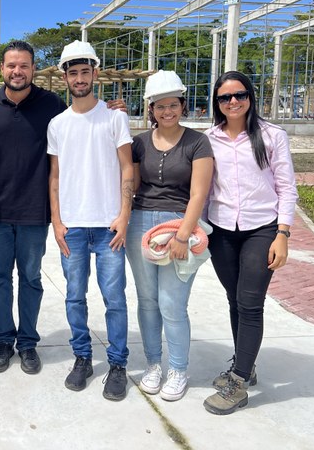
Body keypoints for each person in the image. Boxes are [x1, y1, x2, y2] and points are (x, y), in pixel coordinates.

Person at [202, 71, 297, 415]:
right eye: (225, 98)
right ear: (217, 103)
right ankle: (246, 363)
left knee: (250, 302)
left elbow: (287, 187)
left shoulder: (272, 136)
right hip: (223, 230)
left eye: (239, 95)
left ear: (251, 96)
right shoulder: (208, 139)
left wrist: (283, 234)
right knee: (234, 299)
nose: (233, 102)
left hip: (262, 229)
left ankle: (239, 381)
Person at [0, 40, 67, 375]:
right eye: (11, 65)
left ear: (32, 69)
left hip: (33, 209)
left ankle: (27, 343)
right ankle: (3, 341)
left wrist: (113, 113)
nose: (17, 71)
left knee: (30, 278)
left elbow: (76, 135)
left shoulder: (52, 104)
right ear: (2, 69)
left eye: (24, 65)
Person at [47, 40, 134, 401]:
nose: (79, 78)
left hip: (108, 224)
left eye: (85, 72)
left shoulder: (115, 117)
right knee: (74, 297)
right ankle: (82, 357)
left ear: (96, 75)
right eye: (73, 72)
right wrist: (57, 221)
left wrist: (124, 215)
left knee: (114, 297)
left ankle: (117, 364)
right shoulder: (57, 124)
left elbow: (128, 167)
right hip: (74, 226)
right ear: (65, 77)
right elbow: (54, 176)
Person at [125, 70, 214, 401]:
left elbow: (198, 194)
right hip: (140, 224)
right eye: (160, 106)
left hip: (179, 224)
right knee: (147, 301)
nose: (167, 112)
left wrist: (183, 234)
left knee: (171, 303)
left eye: (173, 105)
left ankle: (178, 369)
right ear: (151, 109)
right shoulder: (139, 143)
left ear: (182, 104)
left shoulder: (197, 142)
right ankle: (153, 365)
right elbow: (130, 184)